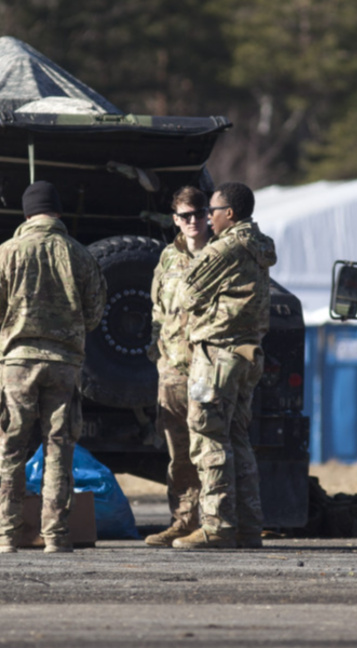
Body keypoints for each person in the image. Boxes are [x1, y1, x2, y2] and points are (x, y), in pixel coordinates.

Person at [0, 181, 106, 554]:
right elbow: (95, 313)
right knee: (59, 449)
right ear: (59, 212)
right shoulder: (80, 255)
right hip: (64, 365)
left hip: (17, 364)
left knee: (10, 449)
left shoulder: (7, 253)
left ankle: (4, 536)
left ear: (27, 213)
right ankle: (56, 535)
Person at [172, 182, 276, 550]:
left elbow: (186, 293)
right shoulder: (257, 243)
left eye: (211, 211)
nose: (207, 218)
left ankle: (217, 526)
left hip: (218, 355)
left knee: (207, 435)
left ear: (229, 214)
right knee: (236, 438)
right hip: (246, 355)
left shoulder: (226, 247)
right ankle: (247, 527)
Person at [143, 186, 212, 547]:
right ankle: (183, 520)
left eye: (198, 214)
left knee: (211, 447)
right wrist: (160, 358)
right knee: (179, 451)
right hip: (172, 368)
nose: (193, 222)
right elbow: (158, 310)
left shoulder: (220, 255)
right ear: (175, 219)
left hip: (208, 367)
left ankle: (214, 521)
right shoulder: (168, 258)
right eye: (185, 216)